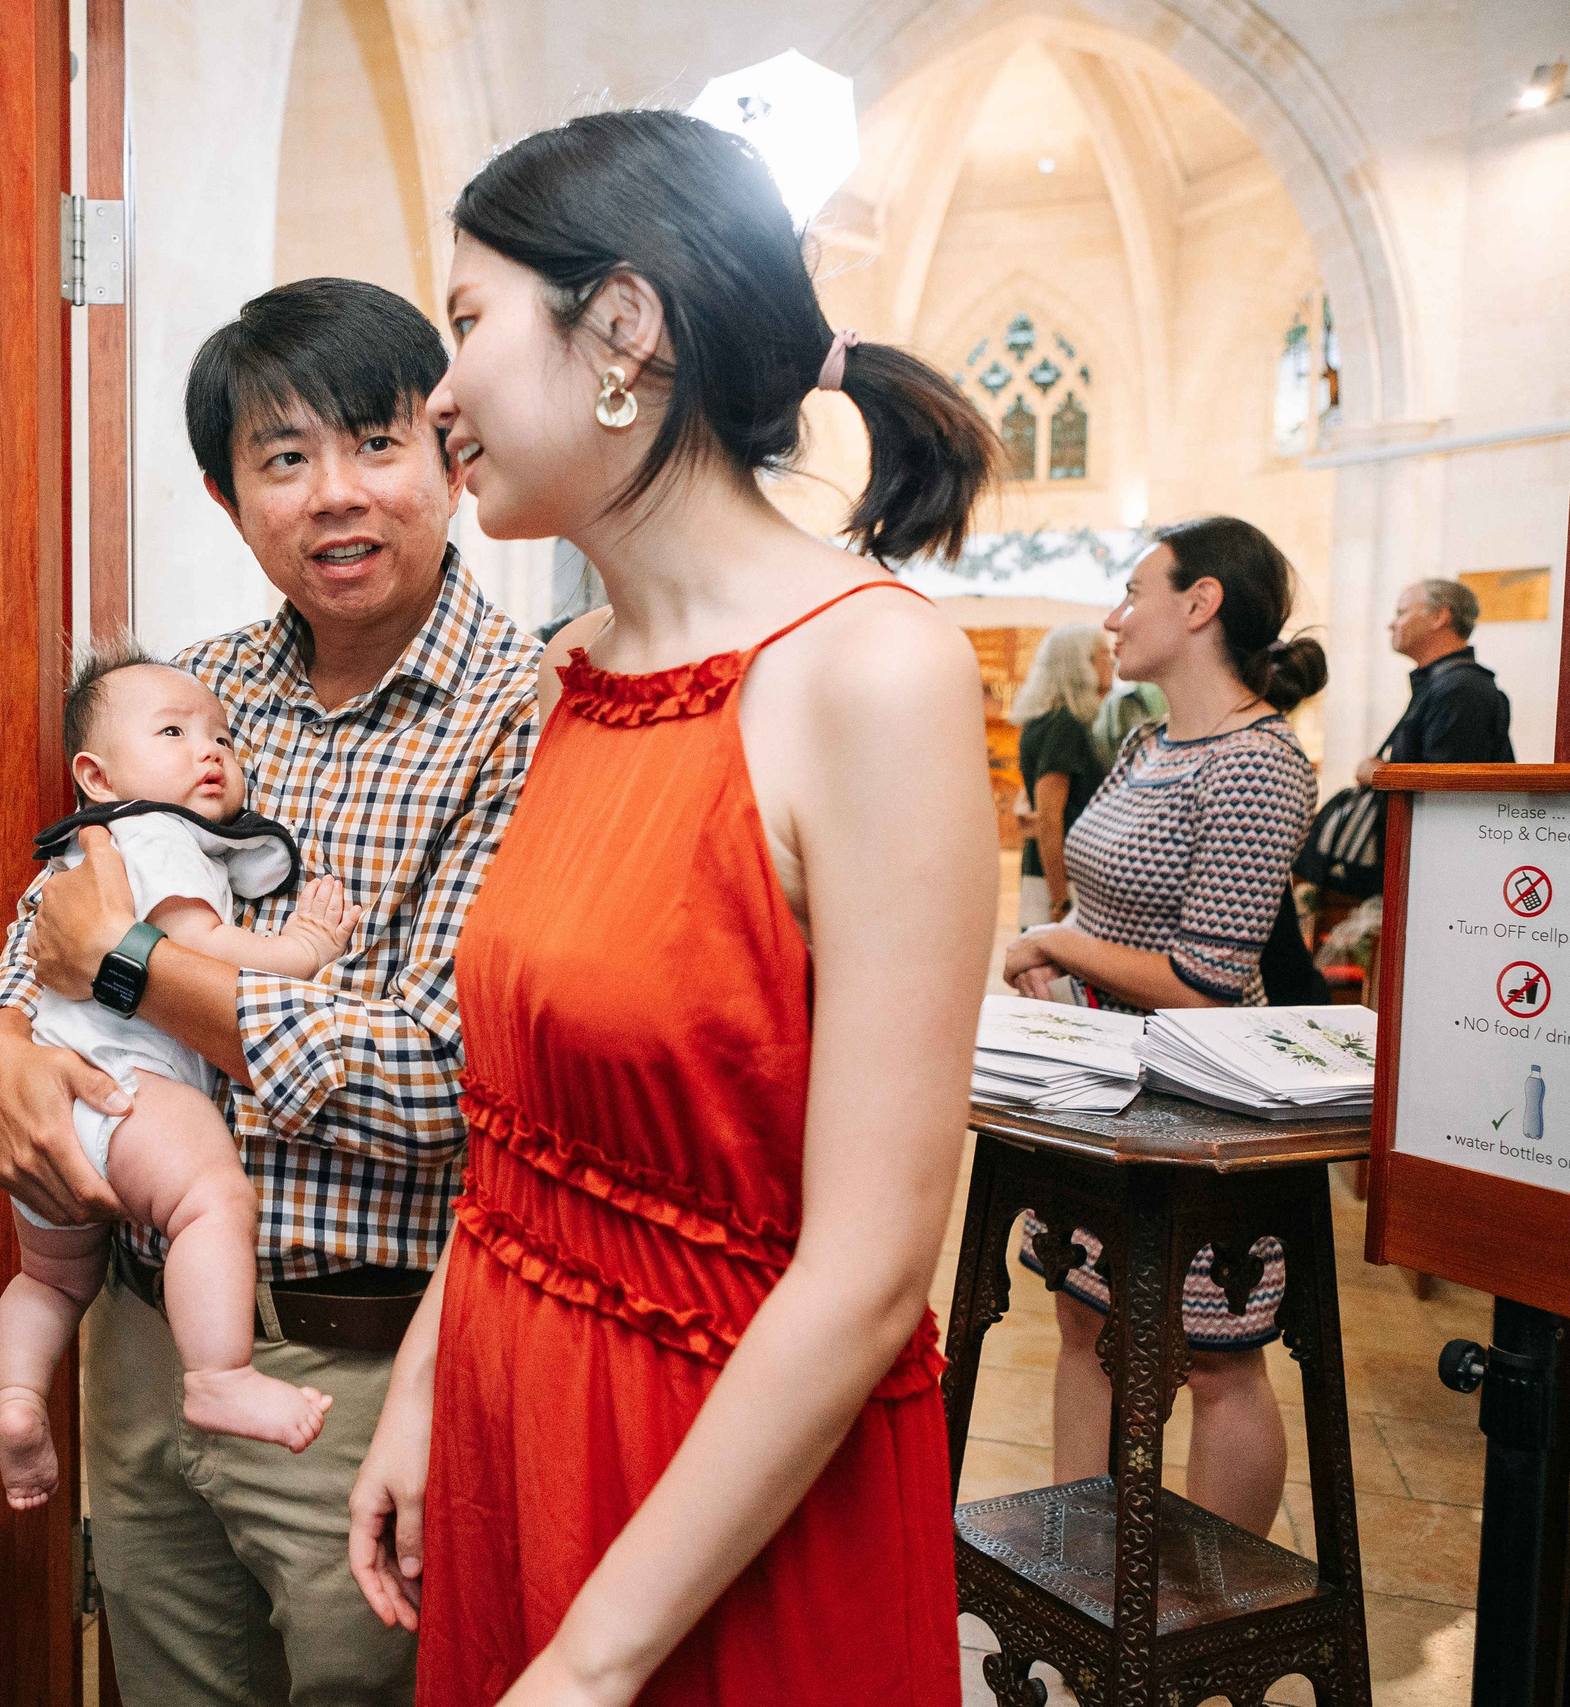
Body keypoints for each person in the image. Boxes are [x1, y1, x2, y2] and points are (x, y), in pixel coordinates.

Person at [347, 110, 997, 1704]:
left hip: (722, 1495)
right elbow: (522, 1128)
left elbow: (867, 1266)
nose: (437, 394)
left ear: (621, 326)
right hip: (522, 1431)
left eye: (468, 319)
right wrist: (426, 1385)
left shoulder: (871, 673)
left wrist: (591, 1660)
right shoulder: (576, 672)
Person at [0, 277, 542, 1704]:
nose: (335, 494)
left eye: (375, 443)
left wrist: (139, 969)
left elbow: (443, 1081)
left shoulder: (528, 716)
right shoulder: (190, 697)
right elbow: (45, 936)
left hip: (363, 1372)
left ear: (451, 454)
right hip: (146, 1333)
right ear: (231, 499)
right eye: (284, 459)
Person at [1002, 516, 1328, 1538]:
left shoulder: (1258, 763)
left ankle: (1207, 1607)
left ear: (1200, 606)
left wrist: (1056, 942)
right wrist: (1061, 966)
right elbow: (1105, 905)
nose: (1113, 616)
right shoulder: (1147, 742)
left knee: (1215, 1356)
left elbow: (1206, 980)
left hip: (1203, 1100)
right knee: (1082, 1320)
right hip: (1104, 1083)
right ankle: (1080, 1559)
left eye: (1134, 591)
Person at [0, 651, 360, 1509]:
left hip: (52, 1105)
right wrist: (302, 950)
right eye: (175, 733)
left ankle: (15, 1399)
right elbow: (204, 951)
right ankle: (220, 1374)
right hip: (127, 1092)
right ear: (98, 775)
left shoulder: (89, 851)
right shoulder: (153, 835)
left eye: (223, 735)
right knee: (212, 1199)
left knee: (48, 1279)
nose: (212, 750)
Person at [1352, 577, 1514, 783]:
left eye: (1401, 613)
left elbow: (1444, 791)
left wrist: (1378, 775)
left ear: (1438, 617)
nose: (1391, 625)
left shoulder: (1461, 689)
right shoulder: (1444, 683)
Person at [1011, 624, 1112, 928]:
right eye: (1103, 655)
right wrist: (1060, 901)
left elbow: (1031, 802)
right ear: (1082, 665)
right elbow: (1050, 818)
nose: (1113, 662)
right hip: (1062, 879)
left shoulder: (1046, 720)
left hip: (1051, 870)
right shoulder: (1066, 723)